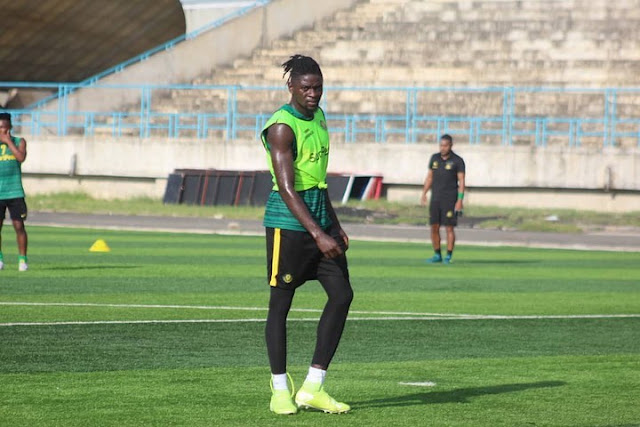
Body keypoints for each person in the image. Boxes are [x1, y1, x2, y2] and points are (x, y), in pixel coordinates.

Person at [261, 55, 353, 415]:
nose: (313, 94)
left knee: (342, 295)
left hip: (320, 222)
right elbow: (287, 188)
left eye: (318, 88)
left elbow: (318, 180)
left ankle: (313, 387)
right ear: (291, 87)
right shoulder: (281, 127)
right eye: (306, 88)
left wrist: (334, 225)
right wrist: (318, 234)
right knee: (280, 305)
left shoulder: (319, 117)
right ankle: (279, 389)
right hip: (289, 226)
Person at [420, 134, 465, 264]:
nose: (442, 148)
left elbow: (462, 181)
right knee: (434, 227)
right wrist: (424, 193)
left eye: (445, 146)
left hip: (450, 199)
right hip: (436, 199)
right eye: (441, 145)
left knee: (449, 228)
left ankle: (448, 256)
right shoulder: (434, 158)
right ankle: (437, 254)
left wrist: (460, 200)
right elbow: (430, 177)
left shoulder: (457, 161)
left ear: (451, 145)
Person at [0, 112, 28, 271]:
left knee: (19, 226)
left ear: (9, 127)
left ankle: (22, 260)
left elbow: (20, 158)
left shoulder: (19, 142)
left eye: (4, 128)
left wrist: (8, 142)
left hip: (15, 192)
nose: (2, 131)